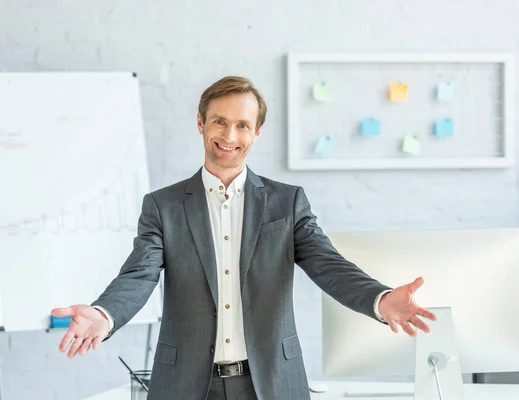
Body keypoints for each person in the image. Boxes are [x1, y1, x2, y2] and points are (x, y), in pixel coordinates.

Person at [51, 76, 436, 400]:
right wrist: (105, 314)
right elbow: (139, 275)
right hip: (184, 384)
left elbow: (327, 264)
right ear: (200, 123)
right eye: (219, 122)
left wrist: (380, 299)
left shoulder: (287, 202)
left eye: (242, 125)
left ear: (257, 132)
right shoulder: (163, 206)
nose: (230, 135)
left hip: (270, 381)